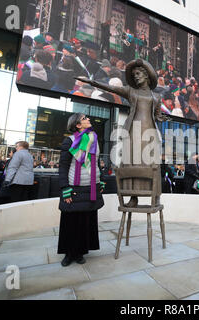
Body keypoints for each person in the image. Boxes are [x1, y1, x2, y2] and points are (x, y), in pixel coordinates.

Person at [77, 59, 167, 206]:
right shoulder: (130, 91)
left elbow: (157, 115)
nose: (136, 77)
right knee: (131, 162)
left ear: (146, 76)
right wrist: (92, 82)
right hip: (132, 131)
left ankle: (155, 195)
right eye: (134, 74)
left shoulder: (156, 97)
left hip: (149, 133)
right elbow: (111, 88)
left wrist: (160, 117)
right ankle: (133, 197)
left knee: (152, 163)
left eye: (138, 74)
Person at [58, 113, 104, 267]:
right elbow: (63, 166)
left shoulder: (95, 141)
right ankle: (68, 253)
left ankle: (80, 252)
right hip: (74, 187)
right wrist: (65, 189)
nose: (89, 119)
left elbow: (95, 163)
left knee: (86, 221)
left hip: (91, 186)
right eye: (85, 119)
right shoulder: (69, 141)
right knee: (70, 222)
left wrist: (100, 180)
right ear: (77, 125)